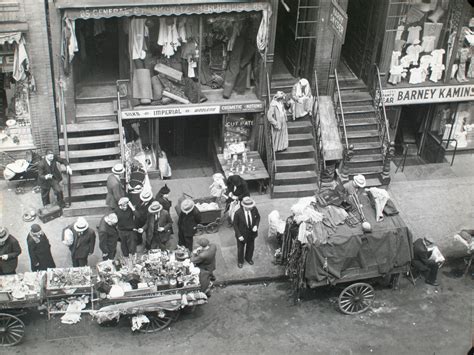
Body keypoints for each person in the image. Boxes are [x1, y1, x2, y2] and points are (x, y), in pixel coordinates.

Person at [232, 197, 260, 268]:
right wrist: (239, 235)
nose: (251, 208)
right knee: (240, 249)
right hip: (242, 234)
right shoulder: (238, 213)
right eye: (249, 207)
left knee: (251, 247)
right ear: (244, 206)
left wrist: (256, 226)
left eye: (251, 207)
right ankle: (240, 261)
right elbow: (235, 224)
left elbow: (258, 217)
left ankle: (248, 258)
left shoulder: (254, 209)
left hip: (251, 233)